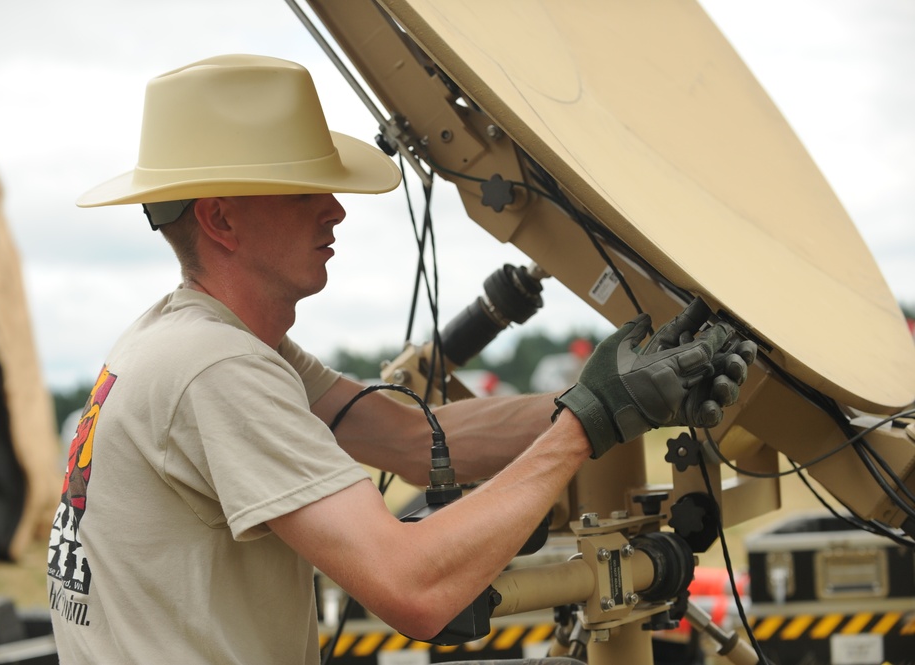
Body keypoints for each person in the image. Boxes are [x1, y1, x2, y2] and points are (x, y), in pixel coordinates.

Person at [47, 54, 754, 664]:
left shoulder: (196, 342)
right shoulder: (215, 367)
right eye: (304, 189)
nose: (336, 210)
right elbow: (414, 587)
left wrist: (627, 396)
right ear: (220, 218)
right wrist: (588, 423)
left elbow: (417, 443)